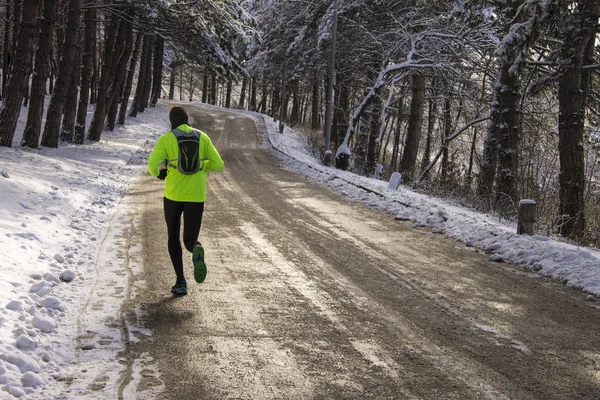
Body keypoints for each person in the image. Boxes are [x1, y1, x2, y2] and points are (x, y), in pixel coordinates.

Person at [147, 106, 224, 295]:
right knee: (189, 238)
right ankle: (196, 249)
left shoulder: (167, 138)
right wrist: (201, 164)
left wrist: (160, 173)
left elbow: (151, 165)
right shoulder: (202, 137)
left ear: (172, 121)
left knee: (173, 236)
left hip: (173, 195)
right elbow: (218, 164)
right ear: (186, 119)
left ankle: (181, 281)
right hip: (196, 196)